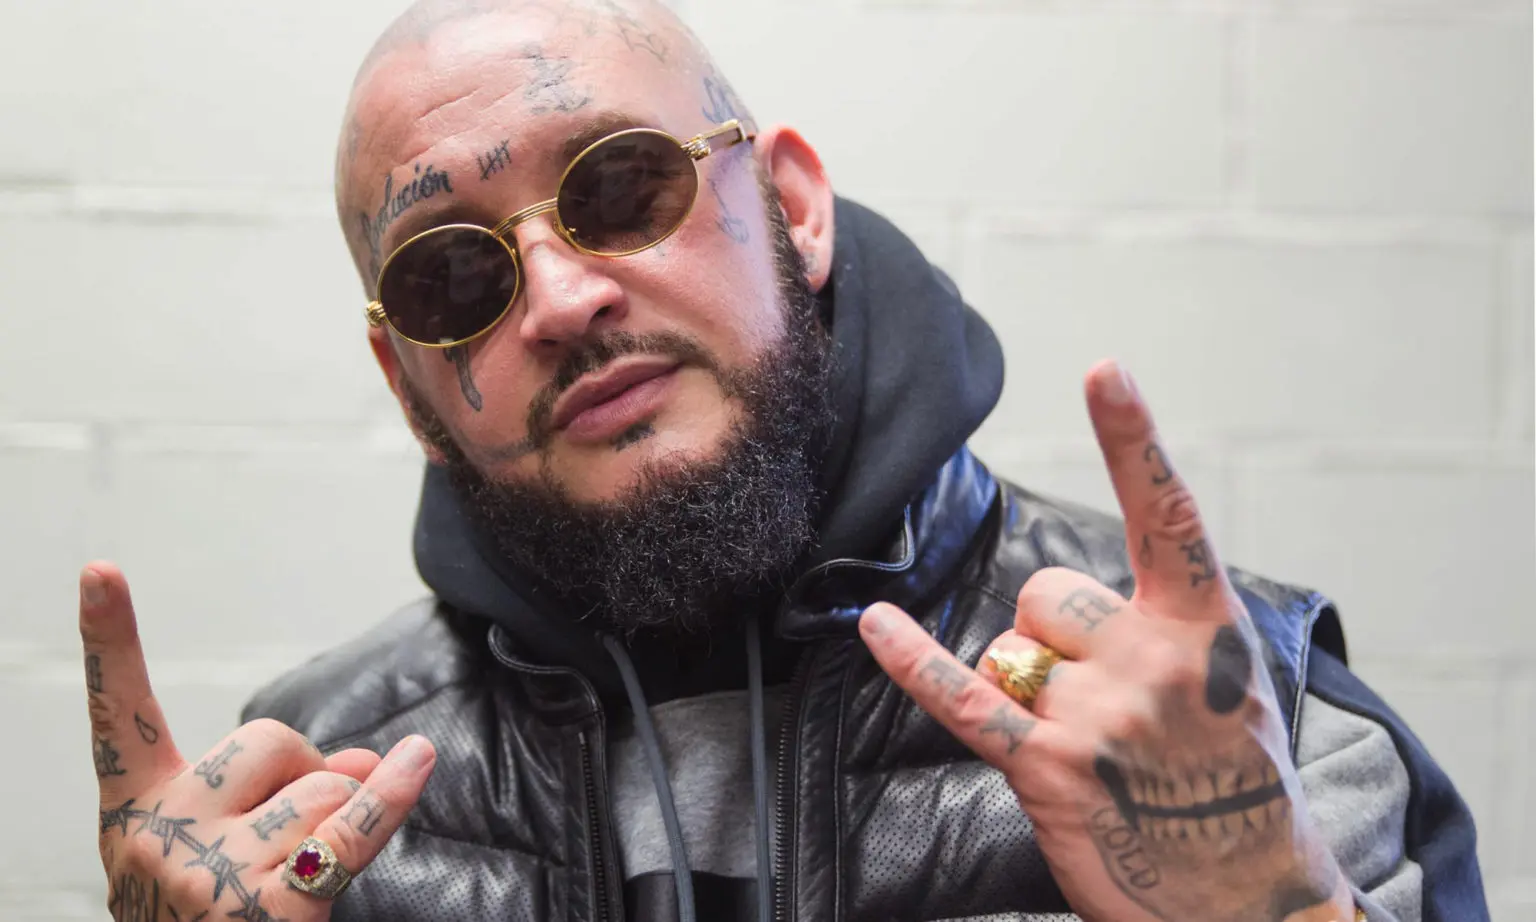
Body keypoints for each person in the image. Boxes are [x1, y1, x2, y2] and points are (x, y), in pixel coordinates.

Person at [77, 1, 1489, 920]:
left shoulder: (1237, 712)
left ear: (795, 207)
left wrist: (1274, 907)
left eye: (620, 185)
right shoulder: (308, 814)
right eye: (453, 277)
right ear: (408, 383)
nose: (561, 299)